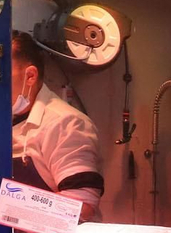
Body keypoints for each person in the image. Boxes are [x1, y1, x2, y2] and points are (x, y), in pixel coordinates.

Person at [11, 31, 104, 221]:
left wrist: (14, 208)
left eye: (0, 76)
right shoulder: (5, 122)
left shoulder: (65, 123)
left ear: (30, 76)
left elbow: (81, 205)